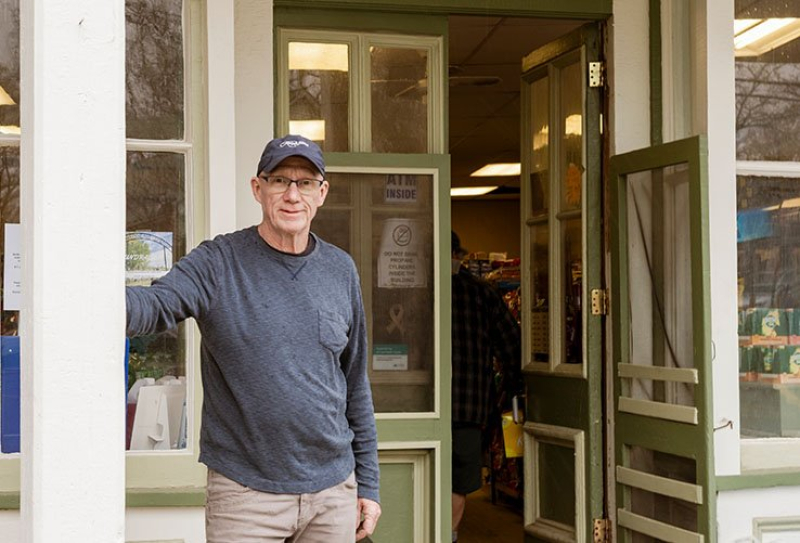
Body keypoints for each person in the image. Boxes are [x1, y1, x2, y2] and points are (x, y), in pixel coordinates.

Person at [126, 134, 381, 542]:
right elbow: (157, 304)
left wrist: (367, 484)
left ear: (322, 193)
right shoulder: (218, 262)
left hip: (332, 492)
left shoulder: (340, 270)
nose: (292, 194)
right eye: (279, 180)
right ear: (257, 189)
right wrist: (92, 303)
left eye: (305, 182)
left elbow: (354, 384)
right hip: (245, 494)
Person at [450, 231, 521, 543]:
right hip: (470, 406)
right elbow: (512, 348)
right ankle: (447, 535)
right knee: (459, 481)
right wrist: (515, 388)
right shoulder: (483, 293)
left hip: (417, 405)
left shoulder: (414, 288)